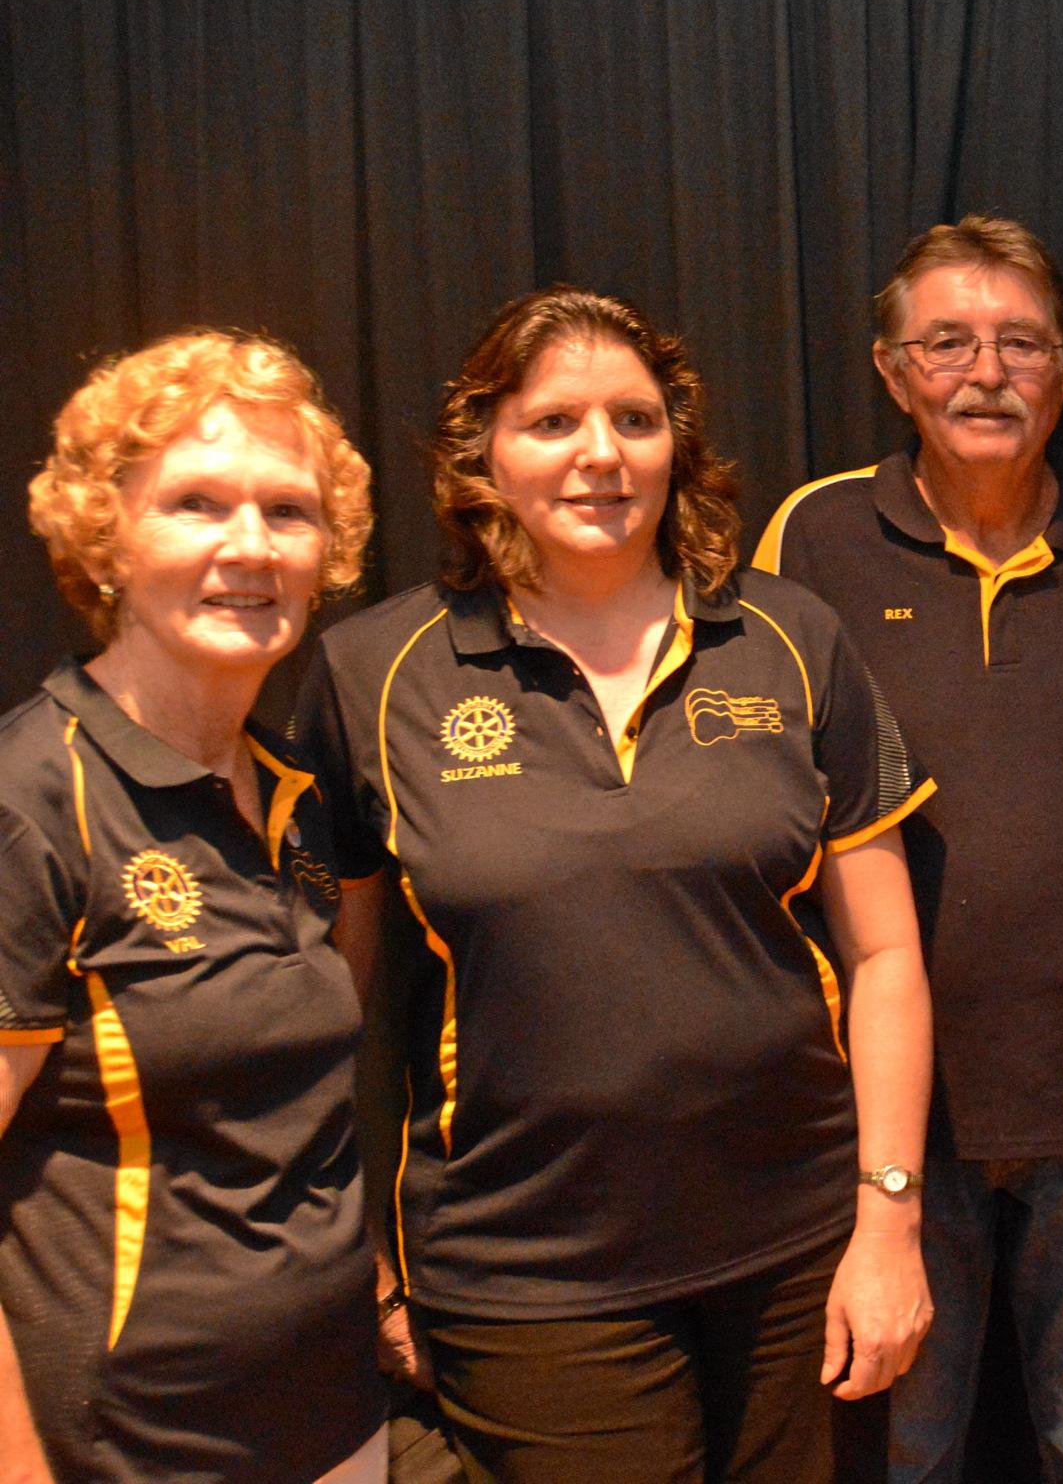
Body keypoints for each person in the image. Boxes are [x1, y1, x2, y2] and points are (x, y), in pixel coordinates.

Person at [299, 287, 934, 1484]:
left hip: (802, 1251)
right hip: (525, 1273)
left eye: (635, 419)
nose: (601, 454)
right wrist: (363, 1260)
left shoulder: (791, 636)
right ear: (484, 447)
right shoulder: (372, 673)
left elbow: (888, 956)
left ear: (676, 444)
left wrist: (890, 1214)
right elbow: (334, 1002)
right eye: (554, 422)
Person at [752, 217, 1063, 1484]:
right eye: (947, 341)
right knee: (897, 1457)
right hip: (883, 1123)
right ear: (892, 370)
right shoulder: (809, 539)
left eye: (1019, 341)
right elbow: (754, 810)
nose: (986, 370)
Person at [0, 332, 384, 1482]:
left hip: (335, 1413)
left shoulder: (301, 792)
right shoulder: (31, 799)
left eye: (289, 511)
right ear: (106, 538)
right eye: (197, 503)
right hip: (134, 1446)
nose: (250, 547)